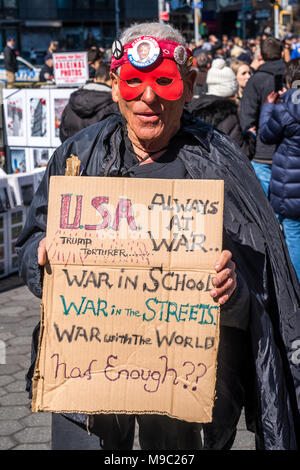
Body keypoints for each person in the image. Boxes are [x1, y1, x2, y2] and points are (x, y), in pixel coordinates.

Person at [16, 22, 300, 451]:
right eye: (134, 83)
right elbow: (30, 244)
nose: (148, 98)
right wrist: (42, 260)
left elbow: (263, 289)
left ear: (188, 87)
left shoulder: (222, 166)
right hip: (87, 376)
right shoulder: (76, 158)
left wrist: (233, 289)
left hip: (183, 385)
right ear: (115, 86)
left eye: (164, 82)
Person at [259, 58, 300, 281]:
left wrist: (268, 106)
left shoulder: (285, 106)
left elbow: (266, 135)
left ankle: (295, 285)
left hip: (289, 181)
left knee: (293, 233)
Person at [239, 36, 286, 197]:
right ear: (282, 53)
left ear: (260, 56)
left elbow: (246, 117)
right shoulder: (292, 75)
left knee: (265, 209)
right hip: (290, 150)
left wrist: (250, 144)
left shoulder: (255, 81)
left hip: (262, 153)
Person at [188, 58, 255, 159]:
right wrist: (251, 136)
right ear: (231, 88)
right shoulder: (228, 115)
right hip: (220, 171)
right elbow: (241, 152)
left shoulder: (194, 107)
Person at [59, 62, 119, 142]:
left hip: (74, 153)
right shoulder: (114, 105)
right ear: (114, 81)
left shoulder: (71, 104)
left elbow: (63, 134)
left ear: (95, 79)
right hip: (101, 154)